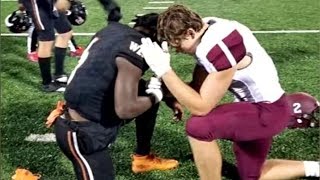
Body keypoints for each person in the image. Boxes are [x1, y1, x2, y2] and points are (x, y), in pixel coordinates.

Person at [140, 4, 320, 180]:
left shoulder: (219, 44)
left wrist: (165, 70)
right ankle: (315, 168)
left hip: (266, 112)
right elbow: (196, 88)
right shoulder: (206, 29)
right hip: (255, 110)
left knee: (198, 126)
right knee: (251, 176)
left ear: (189, 33)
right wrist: (166, 91)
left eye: (177, 43)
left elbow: (201, 107)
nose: (177, 50)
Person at [46, 13, 180, 180]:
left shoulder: (113, 30)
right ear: (156, 36)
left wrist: (167, 98)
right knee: (149, 96)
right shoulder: (134, 49)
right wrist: (156, 95)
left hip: (90, 109)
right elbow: (125, 109)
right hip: (82, 131)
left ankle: (142, 158)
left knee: (145, 91)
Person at [19, 0, 73, 92]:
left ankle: (59, 74)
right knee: (47, 40)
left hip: (50, 2)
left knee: (65, 32)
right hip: (37, 3)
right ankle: (47, 83)